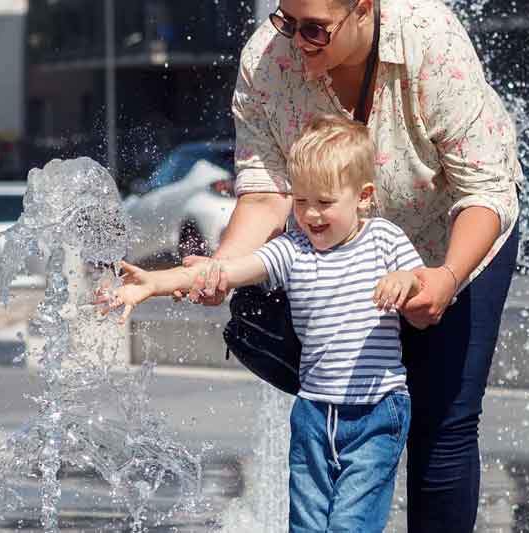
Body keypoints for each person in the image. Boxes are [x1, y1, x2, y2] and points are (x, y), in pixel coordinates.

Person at [183, 0, 521, 531]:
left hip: (452, 235)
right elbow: (266, 192)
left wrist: (447, 276)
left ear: (364, 9)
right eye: (286, 21)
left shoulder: (429, 39)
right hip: (334, 249)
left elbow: (484, 189)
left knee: (444, 419)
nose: (296, 41)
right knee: (339, 410)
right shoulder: (266, 61)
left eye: (315, 30)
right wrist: (220, 268)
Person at [100, 115, 425, 531]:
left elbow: (423, 288)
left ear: (363, 197)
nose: (311, 214)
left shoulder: (386, 240)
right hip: (312, 412)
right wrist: (152, 283)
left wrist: (404, 280)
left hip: (376, 411)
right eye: (302, 201)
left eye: (325, 202)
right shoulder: (293, 250)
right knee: (306, 524)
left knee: (351, 524)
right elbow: (226, 272)